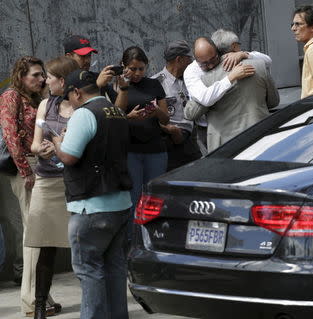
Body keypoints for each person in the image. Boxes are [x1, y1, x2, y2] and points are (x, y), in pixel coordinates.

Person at [52, 69, 132, 319]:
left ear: (77, 92)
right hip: (120, 204)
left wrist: (57, 143)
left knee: (89, 270)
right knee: (115, 268)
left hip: (90, 207)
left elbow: (69, 156)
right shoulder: (117, 111)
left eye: (70, 96)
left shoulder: (84, 114)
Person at [0, 56, 59, 316]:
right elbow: (10, 135)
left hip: (39, 165)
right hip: (25, 169)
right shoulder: (11, 96)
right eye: (35, 75)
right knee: (33, 234)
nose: (41, 79)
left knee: (39, 233)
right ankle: (30, 300)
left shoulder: (34, 97)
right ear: (21, 75)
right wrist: (25, 170)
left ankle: (41, 295)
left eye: (42, 75)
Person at [24, 56, 79, 318]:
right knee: (44, 246)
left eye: (50, 77)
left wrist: (63, 146)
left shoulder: (81, 108)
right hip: (46, 182)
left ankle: (94, 302)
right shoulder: (47, 104)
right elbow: (34, 144)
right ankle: (39, 307)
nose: (45, 80)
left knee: (81, 244)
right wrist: (42, 150)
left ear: (64, 81)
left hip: (73, 183)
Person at [184, 37, 279, 152]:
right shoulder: (193, 73)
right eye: (204, 64)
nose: (209, 66)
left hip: (225, 141)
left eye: (213, 60)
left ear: (218, 52)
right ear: (195, 60)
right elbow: (205, 99)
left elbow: (192, 113)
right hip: (257, 133)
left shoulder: (213, 75)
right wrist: (230, 78)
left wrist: (242, 54)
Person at [108, 46, 169, 212]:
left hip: (155, 149)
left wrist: (156, 111)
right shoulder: (116, 87)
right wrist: (129, 116)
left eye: (141, 69)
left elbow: (166, 119)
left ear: (146, 66)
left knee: (154, 197)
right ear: (123, 66)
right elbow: (115, 116)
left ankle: (152, 236)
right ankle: (132, 237)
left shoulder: (154, 84)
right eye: (132, 69)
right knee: (133, 197)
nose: (137, 73)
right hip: (130, 150)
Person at [152, 40, 202, 171]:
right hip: (169, 143)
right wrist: (171, 130)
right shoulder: (156, 83)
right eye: (189, 58)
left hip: (191, 143)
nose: (192, 62)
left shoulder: (192, 80)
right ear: (179, 59)